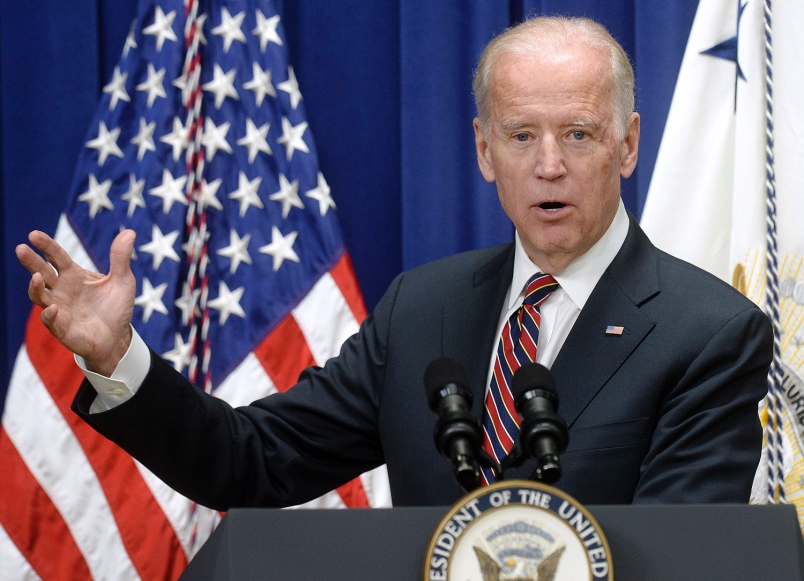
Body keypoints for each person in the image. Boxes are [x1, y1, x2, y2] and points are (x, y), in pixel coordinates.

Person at [16, 16, 771, 509]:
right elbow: (251, 462)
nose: (549, 166)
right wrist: (120, 358)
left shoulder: (708, 330)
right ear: (483, 150)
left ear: (628, 144)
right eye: (520, 137)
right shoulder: (423, 309)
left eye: (578, 134)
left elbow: (682, 555)